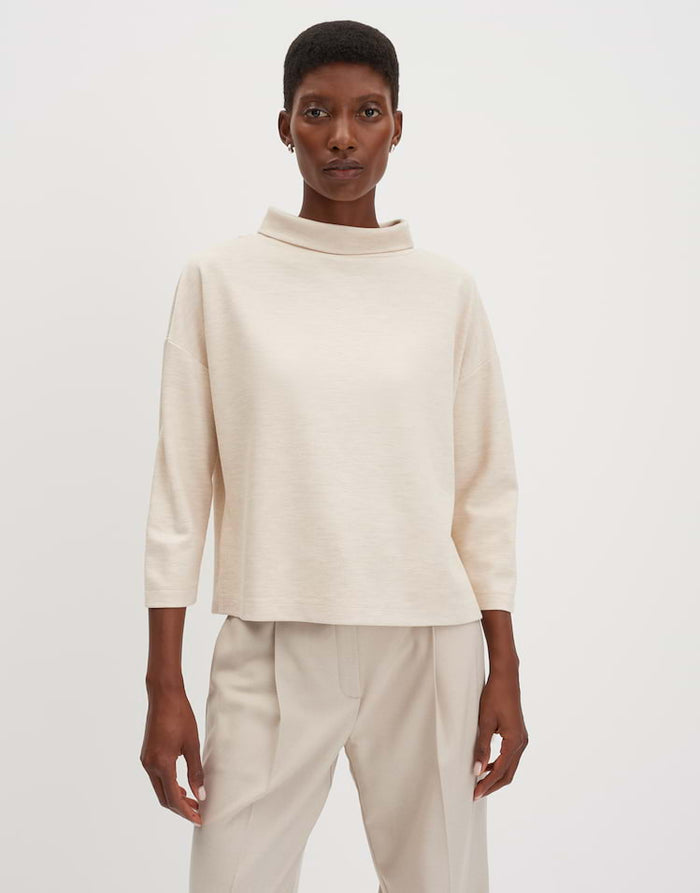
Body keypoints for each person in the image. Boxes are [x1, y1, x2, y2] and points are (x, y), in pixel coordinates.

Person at [140, 19, 528, 893]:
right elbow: (178, 494)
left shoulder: (445, 291)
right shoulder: (221, 280)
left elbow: (484, 491)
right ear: (285, 126)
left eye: (367, 112)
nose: (342, 136)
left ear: (398, 125)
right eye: (317, 112)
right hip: (274, 634)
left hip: (430, 643)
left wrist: (504, 665)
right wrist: (163, 683)